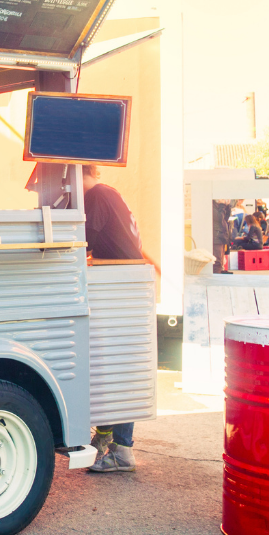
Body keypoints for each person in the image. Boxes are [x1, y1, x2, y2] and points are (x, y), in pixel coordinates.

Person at [82, 164, 159, 473]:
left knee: (118, 365)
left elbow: (81, 243)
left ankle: (123, 450)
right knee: (111, 362)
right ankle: (104, 435)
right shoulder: (109, 192)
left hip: (122, 286)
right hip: (129, 283)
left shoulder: (96, 196)